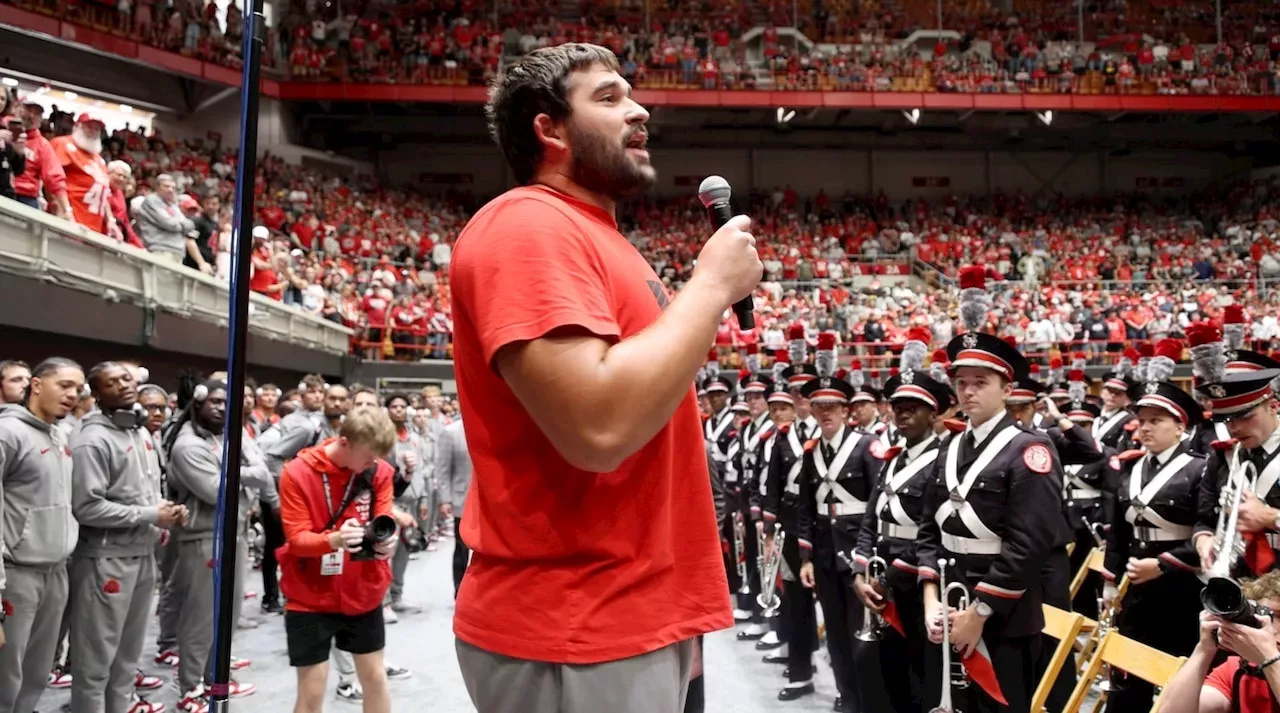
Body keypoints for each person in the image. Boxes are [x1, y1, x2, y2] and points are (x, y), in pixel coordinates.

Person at [448, 42, 759, 713]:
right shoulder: (528, 223)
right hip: (577, 620)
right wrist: (708, 288)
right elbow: (598, 426)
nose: (639, 109)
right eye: (610, 97)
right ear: (549, 128)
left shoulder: (598, 237)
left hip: (626, 612)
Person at [915, 265, 1065, 713]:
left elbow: (1029, 546)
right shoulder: (949, 446)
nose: (968, 392)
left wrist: (977, 614)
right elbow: (929, 529)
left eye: (981, 383)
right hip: (949, 607)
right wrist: (930, 601)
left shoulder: (1029, 449)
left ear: (1007, 388)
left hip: (1004, 618)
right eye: (961, 382)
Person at [70, 361, 183, 713]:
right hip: (106, 560)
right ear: (97, 394)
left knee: (127, 660)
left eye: (125, 378)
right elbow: (86, 508)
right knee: (95, 664)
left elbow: (141, 494)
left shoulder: (141, 433)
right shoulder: (92, 439)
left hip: (143, 555)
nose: (123, 385)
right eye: (111, 382)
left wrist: (164, 512)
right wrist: (151, 515)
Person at [1101, 340, 1208, 713]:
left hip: (1181, 586)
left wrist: (1162, 565)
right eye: (1142, 420)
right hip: (1135, 585)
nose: (1145, 429)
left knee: (1177, 673)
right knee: (1129, 674)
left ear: (1180, 425)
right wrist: (1110, 582)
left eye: (1156, 421)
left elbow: (1207, 530)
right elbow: (1118, 531)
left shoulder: (1199, 469)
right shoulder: (1130, 468)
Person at [851, 331, 949, 713]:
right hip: (882, 574)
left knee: (921, 673)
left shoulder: (943, 461)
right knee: (888, 673)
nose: (903, 414)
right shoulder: (892, 459)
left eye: (914, 407)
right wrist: (860, 571)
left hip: (917, 577)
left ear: (933, 413)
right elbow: (869, 520)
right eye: (898, 406)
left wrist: (887, 578)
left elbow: (933, 531)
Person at [277, 406, 398, 713]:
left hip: (363, 590)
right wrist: (335, 540)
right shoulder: (297, 473)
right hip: (309, 595)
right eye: (368, 456)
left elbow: (383, 516)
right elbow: (297, 539)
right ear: (343, 442)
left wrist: (385, 543)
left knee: (375, 678)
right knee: (312, 692)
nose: (373, 463)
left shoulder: (380, 471)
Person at [166, 379, 269, 711]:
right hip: (204, 536)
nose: (223, 408)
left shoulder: (223, 438)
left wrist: (231, 469)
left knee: (228, 613)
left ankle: (214, 678)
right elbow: (216, 492)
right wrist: (240, 473)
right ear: (197, 404)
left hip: (232, 533)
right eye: (214, 402)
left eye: (227, 402)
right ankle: (189, 686)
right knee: (201, 617)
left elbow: (263, 474)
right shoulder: (188, 445)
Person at [794, 336, 884, 713]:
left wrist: (871, 556)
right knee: (835, 631)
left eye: (832, 406)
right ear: (812, 411)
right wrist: (806, 558)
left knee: (862, 631)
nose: (826, 413)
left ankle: (869, 699)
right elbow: (805, 509)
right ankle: (847, 696)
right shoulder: (811, 452)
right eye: (819, 407)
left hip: (858, 554)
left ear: (847, 410)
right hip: (827, 556)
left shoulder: (867, 446)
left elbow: (878, 504)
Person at [0, 358, 84, 713]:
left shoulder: (59, 433)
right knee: (7, 675)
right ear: (36, 385)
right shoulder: (8, 432)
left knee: (37, 672)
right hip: (17, 572)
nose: (72, 395)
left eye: (77, 389)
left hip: (56, 570)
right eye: (64, 385)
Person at [1156, 570, 1280, 713]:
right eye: (1264, 614)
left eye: (1278, 616)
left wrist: (1269, 658)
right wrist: (1204, 649)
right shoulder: (1238, 670)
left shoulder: (1265, 661)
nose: (1272, 627)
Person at [434, 415, 472, 597]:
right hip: (461, 498)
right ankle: (460, 590)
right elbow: (442, 469)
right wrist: (445, 499)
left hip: (488, 501)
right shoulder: (451, 432)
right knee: (461, 547)